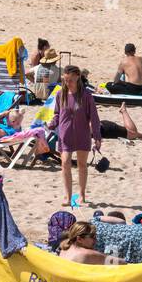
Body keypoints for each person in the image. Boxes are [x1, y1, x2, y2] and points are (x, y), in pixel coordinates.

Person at [48, 65, 102, 207]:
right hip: (65, 134)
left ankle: (82, 195)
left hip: (82, 134)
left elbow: (94, 118)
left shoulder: (86, 96)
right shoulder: (61, 94)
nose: (68, 83)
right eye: (65, 80)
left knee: (82, 164)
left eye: (70, 80)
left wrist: (97, 137)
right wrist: (52, 123)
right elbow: (57, 114)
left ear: (77, 77)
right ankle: (67, 196)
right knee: (65, 163)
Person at [57, 222, 122, 265]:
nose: (96, 240)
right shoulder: (86, 254)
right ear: (79, 239)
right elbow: (119, 263)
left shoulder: (64, 249)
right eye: (92, 237)